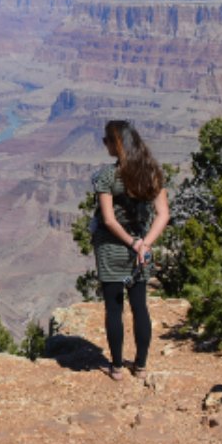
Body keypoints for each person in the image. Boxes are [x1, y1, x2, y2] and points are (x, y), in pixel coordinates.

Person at [90, 120, 169, 380]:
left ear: (118, 144)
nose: (105, 144)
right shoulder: (153, 173)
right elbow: (163, 215)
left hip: (112, 248)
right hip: (140, 252)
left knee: (114, 309)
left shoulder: (107, 176)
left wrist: (133, 243)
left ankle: (116, 367)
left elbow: (109, 220)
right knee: (140, 307)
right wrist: (144, 243)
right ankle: (142, 365)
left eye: (107, 140)